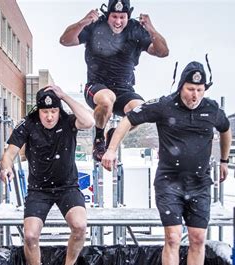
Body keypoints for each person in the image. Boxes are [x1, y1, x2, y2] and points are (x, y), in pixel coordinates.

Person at [101, 60, 232, 265]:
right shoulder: (164, 105)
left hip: (200, 183)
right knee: (172, 237)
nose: (194, 95)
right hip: (169, 183)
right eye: (190, 89)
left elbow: (226, 129)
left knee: (197, 238)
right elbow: (128, 119)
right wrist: (111, 149)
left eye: (199, 90)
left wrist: (224, 160)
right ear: (181, 86)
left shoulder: (211, 109)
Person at [0, 85, 95, 265]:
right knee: (31, 235)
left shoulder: (68, 121)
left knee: (80, 226)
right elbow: (9, 153)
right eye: (45, 112)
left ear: (59, 111)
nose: (50, 117)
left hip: (67, 186)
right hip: (39, 189)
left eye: (53, 112)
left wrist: (65, 96)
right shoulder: (28, 124)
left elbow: (89, 122)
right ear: (38, 111)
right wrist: (6, 167)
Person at [59, 0, 169, 161]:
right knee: (107, 98)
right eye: (114, 16)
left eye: (122, 17)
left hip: (125, 90)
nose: (118, 22)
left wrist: (151, 29)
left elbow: (162, 52)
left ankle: (113, 133)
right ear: (108, 14)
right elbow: (65, 41)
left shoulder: (136, 30)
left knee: (141, 110)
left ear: (128, 16)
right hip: (96, 87)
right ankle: (99, 138)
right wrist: (83, 22)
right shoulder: (95, 26)